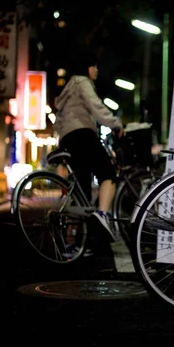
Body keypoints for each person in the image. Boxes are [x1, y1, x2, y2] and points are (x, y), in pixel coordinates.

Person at [53, 50, 123, 244]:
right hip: (83, 134)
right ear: (88, 67)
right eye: (94, 66)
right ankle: (102, 215)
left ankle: (72, 244)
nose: (97, 70)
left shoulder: (68, 88)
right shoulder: (81, 82)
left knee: (81, 193)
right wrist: (115, 123)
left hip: (68, 139)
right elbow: (95, 106)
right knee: (108, 174)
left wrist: (61, 144)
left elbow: (59, 121)